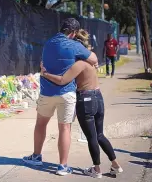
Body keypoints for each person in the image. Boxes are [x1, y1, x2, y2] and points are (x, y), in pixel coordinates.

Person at [39, 30, 123, 178]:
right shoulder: (92, 62)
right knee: (100, 135)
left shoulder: (80, 64)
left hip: (85, 99)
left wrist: (44, 74)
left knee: (91, 137)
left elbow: (62, 80)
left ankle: (96, 170)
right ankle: (115, 164)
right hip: (98, 97)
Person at [22, 18, 98, 176]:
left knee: (40, 124)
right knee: (64, 128)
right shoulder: (75, 45)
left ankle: (36, 156)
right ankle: (63, 166)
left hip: (46, 92)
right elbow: (94, 59)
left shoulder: (48, 42)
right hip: (67, 93)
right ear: (73, 33)